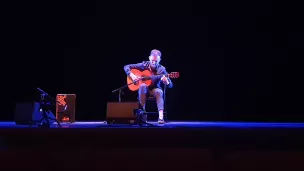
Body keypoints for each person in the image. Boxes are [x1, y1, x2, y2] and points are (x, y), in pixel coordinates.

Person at [124, 49, 173, 124]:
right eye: (152, 60)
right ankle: (142, 116)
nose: (154, 62)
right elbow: (126, 66)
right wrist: (131, 75)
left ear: (159, 60)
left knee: (159, 91)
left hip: (155, 89)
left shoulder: (162, 69)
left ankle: (160, 117)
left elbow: (170, 85)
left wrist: (167, 82)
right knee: (143, 85)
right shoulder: (144, 65)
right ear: (149, 58)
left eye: (156, 61)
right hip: (144, 90)